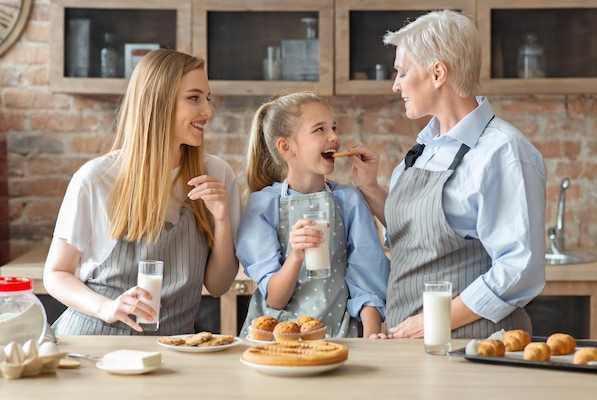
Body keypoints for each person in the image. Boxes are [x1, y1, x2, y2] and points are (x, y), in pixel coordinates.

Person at [347, 10, 546, 339]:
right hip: (413, 343)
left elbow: (519, 269)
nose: (395, 85)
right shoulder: (425, 148)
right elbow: (415, 237)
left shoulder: (502, 151)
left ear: (438, 73)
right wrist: (371, 188)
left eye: (402, 72)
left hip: (476, 347)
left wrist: (432, 320)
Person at [43, 49, 242, 336]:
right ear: (158, 103)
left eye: (207, 98)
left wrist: (221, 220)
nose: (208, 111)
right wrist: (106, 308)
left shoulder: (216, 175)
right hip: (94, 344)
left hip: (173, 347)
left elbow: (219, 285)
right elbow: (56, 274)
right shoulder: (96, 179)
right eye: (194, 98)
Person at [236, 91, 389, 338]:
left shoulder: (349, 200)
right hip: (277, 337)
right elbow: (275, 298)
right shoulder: (262, 206)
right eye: (320, 130)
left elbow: (367, 282)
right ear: (286, 147)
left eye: (334, 128)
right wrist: (296, 255)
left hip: (338, 334)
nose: (334, 137)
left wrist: (372, 337)